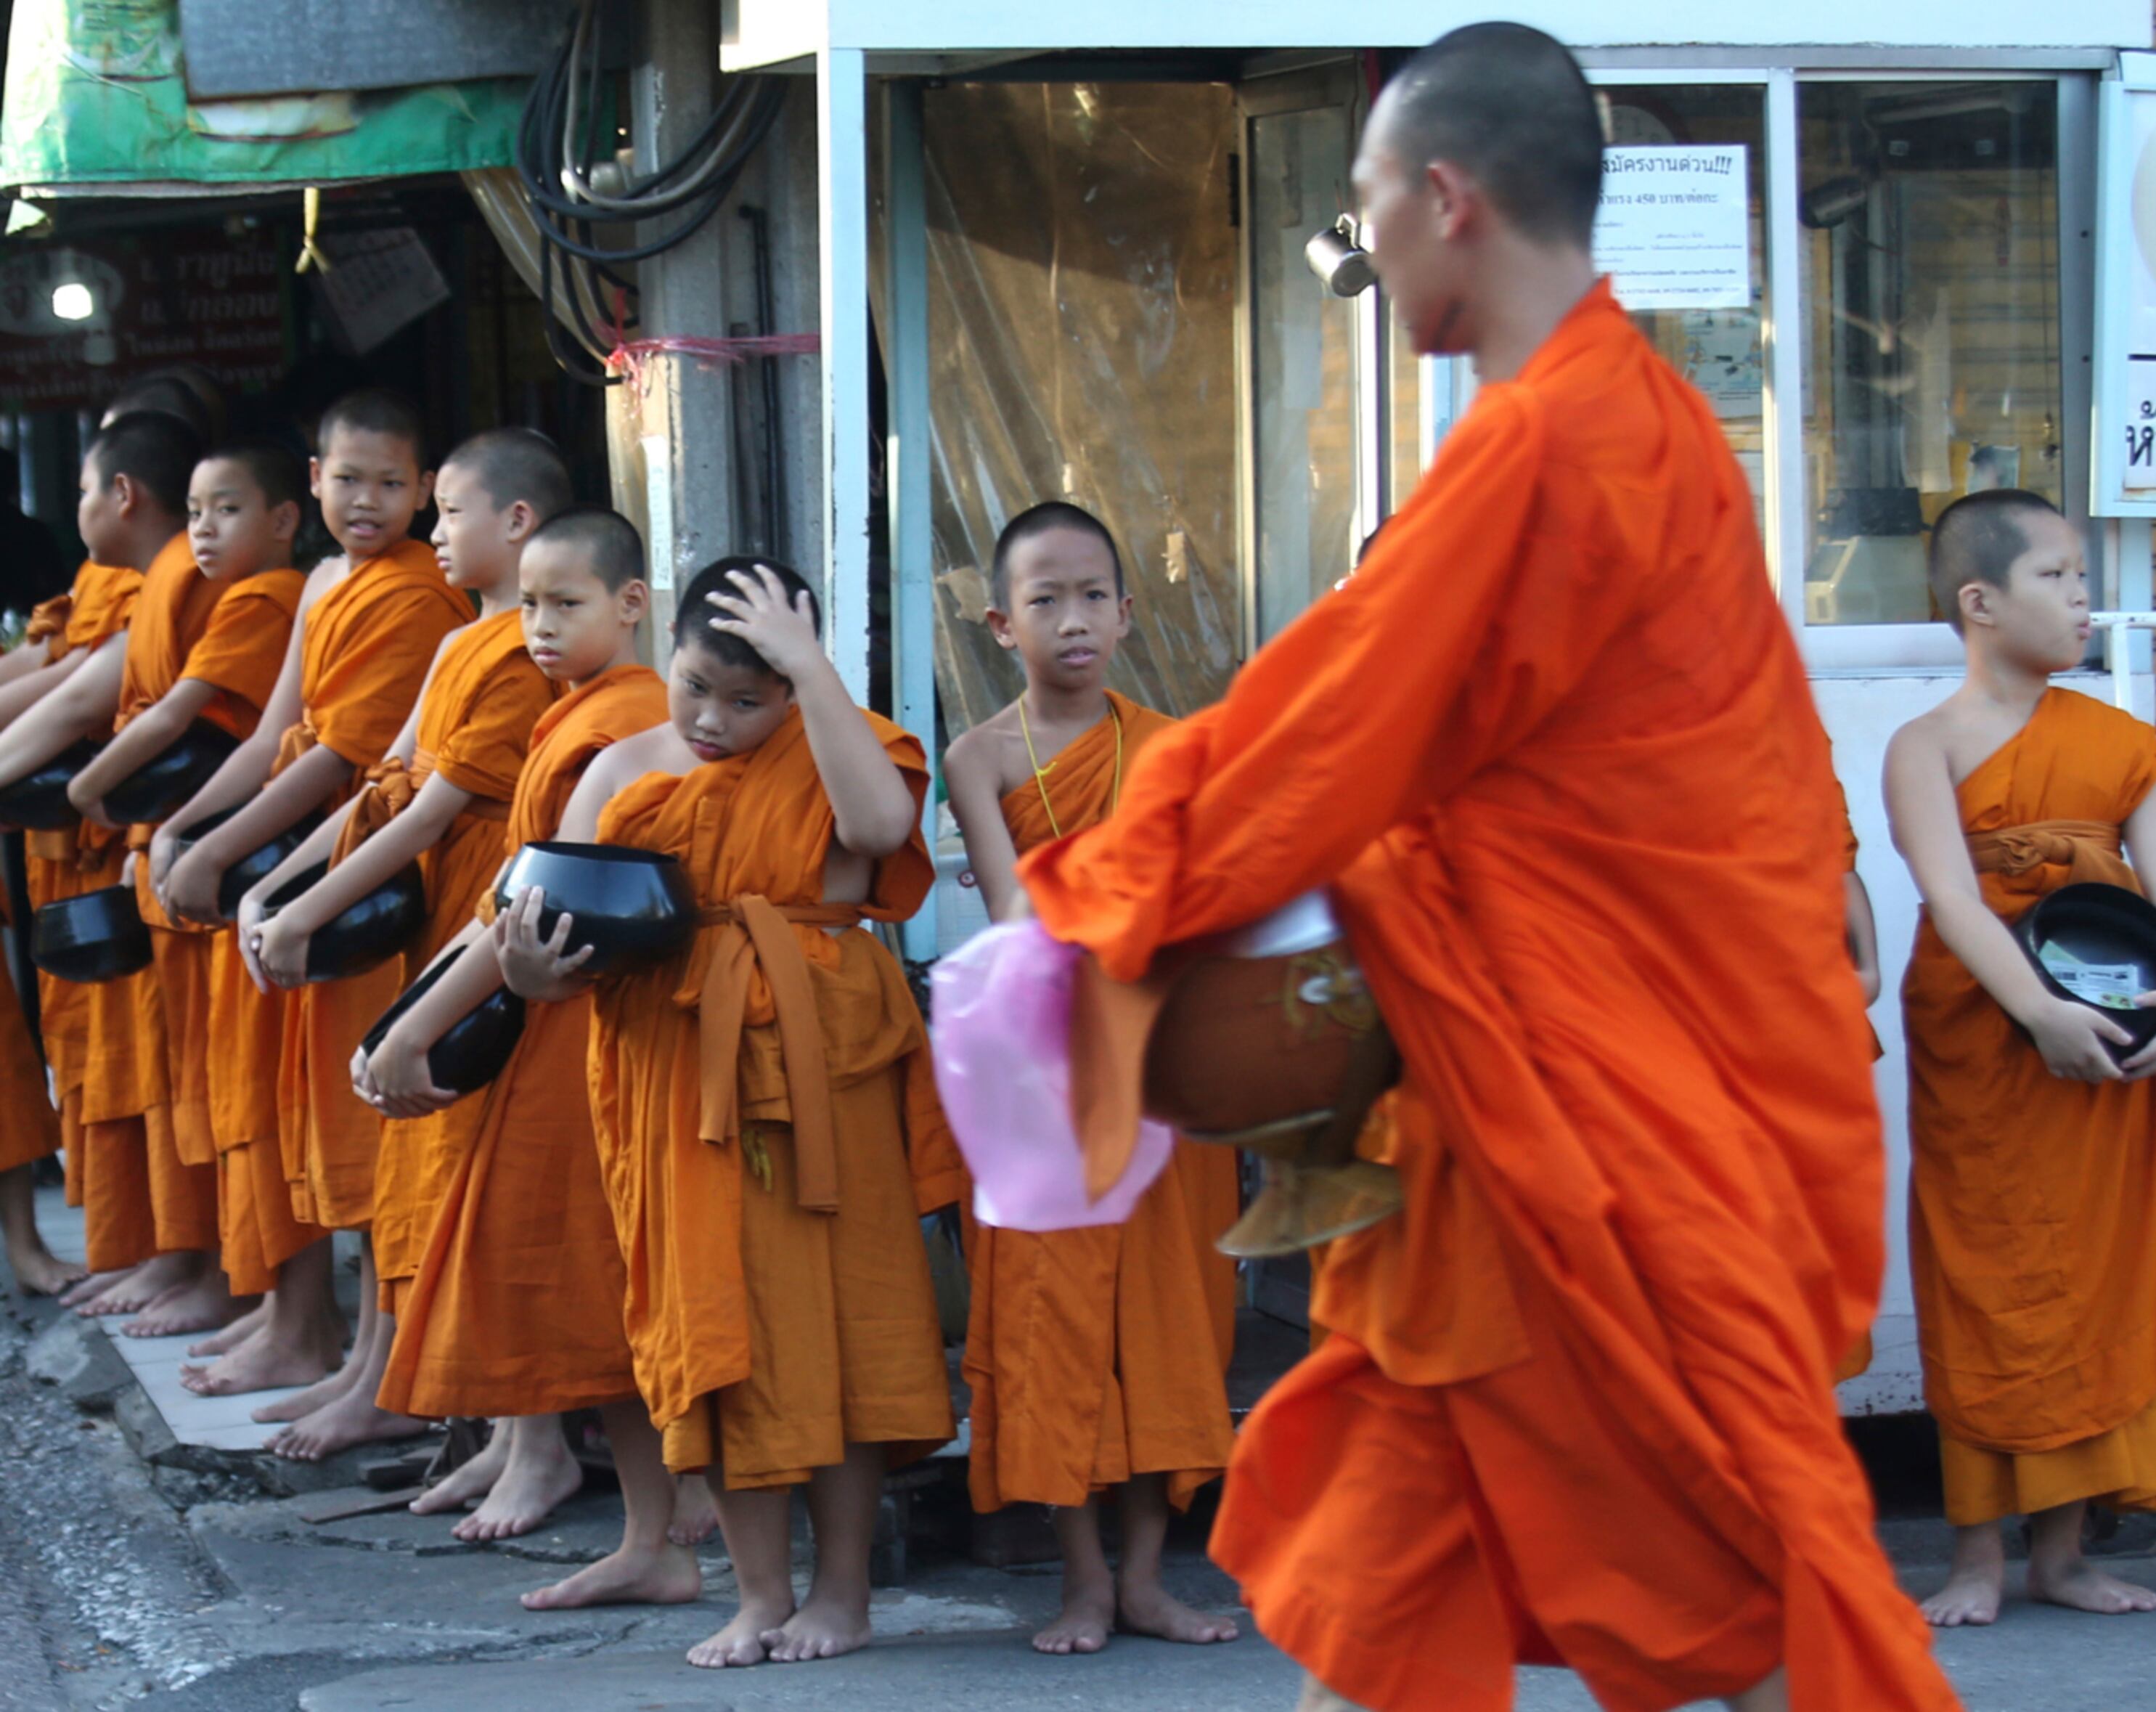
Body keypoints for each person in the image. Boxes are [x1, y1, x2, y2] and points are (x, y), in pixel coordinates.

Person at [1015, 25, 1954, 1711]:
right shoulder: (1652, 418)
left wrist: (1105, 885)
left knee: (1740, 1574)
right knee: (1389, 1581)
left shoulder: (1555, 444)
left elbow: (1328, 724)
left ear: (1443, 197)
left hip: (1585, 1123)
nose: (1357, 243)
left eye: (1364, 201)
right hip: (1505, 1118)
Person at [502, 558, 955, 1668]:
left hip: (821, 1078)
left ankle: (841, 1594)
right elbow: (546, 924)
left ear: (797, 689)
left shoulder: (850, 744)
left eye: (749, 699)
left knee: (841, 1338)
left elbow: (882, 820)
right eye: (695, 686)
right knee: (722, 1337)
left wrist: (811, 671)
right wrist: (526, 974)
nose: (711, 719)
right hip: (674, 1075)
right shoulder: (620, 769)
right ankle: (759, 1595)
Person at [1882, 487, 2156, 1627]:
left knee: (2095, 1272)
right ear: (1979, 602)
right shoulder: (1922, 745)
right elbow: (1951, 895)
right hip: (1994, 1035)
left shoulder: (2119, 739)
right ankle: (1977, 1553)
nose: (2085, 597)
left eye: (2085, 576)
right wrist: (2035, 1010)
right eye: (2059, 577)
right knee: (1987, 1278)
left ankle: (2064, 1550)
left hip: (2111, 1022)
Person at [362, 505, 714, 1586]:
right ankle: (650, 1528)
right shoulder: (581, 717)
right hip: (569, 1024)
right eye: (529, 606)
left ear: (633, 605)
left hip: (608, 1031)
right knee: (591, 1276)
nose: (541, 628)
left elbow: (529, 902)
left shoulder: (634, 725)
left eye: (567, 604)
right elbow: (517, 899)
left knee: (608, 1275)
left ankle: (666, 1522)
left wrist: (412, 1023)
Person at [942, 501, 1241, 1655]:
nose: (1073, 619)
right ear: (999, 622)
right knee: (1052, 1328)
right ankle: (1078, 1580)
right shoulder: (981, 756)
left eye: (1092, 596)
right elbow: (1019, 911)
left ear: (1127, 610)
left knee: (1168, 1322)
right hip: (1042, 1076)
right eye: (1044, 600)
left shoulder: (1174, 747)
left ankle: (1151, 1577)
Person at [233, 428, 560, 1464]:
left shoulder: (521, 653)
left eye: (448, 509)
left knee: (464, 1171)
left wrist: (300, 903)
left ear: (518, 523)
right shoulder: (465, 635)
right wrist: (280, 881)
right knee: (408, 1159)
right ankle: (382, 1367)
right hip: (424, 919)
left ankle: (462, 1405)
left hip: (480, 925)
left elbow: (429, 815)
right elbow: (389, 778)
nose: (431, 527)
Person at [162, 390, 470, 1421]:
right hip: (302, 867)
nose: (368, 501)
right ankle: (324, 1338)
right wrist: (194, 833)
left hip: (360, 883)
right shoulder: (324, 579)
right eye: (349, 480)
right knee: (292, 1109)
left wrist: (259, 867)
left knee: (362, 1125)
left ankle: (361, 1357)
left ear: (427, 491)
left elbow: (349, 757)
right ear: (313, 482)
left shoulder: (421, 591)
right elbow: (273, 737)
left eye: (392, 483)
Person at [49, 442, 306, 1341]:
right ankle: (217, 1270)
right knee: (193, 1080)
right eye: (197, 509)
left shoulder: (269, 599)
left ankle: (257, 1290)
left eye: (226, 509)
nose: (205, 527)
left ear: (284, 517)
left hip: (223, 851)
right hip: (181, 843)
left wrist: (91, 794)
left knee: (246, 1091)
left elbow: (178, 715)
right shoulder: (207, 587)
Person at [0, 412, 203, 1316]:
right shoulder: (120, 580)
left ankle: (189, 1257)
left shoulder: (179, 584)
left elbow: (90, 697)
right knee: (112, 1058)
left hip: (152, 844)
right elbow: (58, 667)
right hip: (100, 847)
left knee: (165, 1064)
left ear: (125, 493)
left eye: (83, 486)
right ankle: (154, 1247)